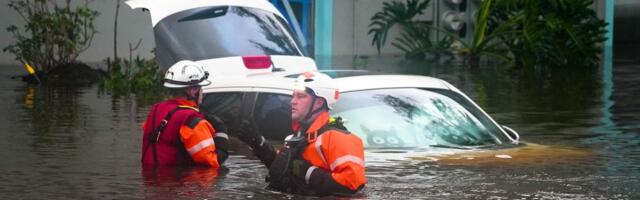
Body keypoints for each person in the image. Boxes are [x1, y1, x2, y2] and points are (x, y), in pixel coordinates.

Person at [238, 71, 366, 196]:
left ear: (319, 103)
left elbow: (351, 185)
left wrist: (307, 173)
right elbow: (285, 169)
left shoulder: (338, 138)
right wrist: (259, 144)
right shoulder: (299, 136)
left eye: (301, 96)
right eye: (293, 96)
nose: (292, 101)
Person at [141, 60, 229, 167]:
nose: (202, 91)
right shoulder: (193, 121)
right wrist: (222, 135)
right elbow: (211, 163)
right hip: (178, 182)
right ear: (192, 90)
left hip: (150, 180)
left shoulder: (156, 110)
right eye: (200, 87)